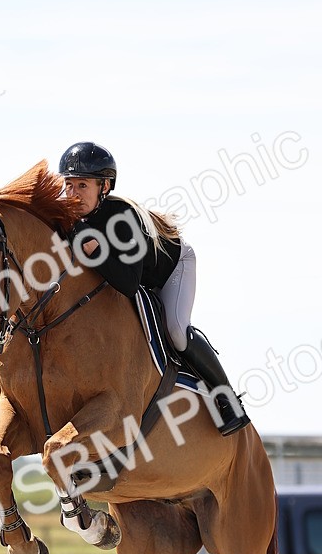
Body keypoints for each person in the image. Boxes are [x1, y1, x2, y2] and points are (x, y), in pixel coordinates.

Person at [59, 141, 250, 437]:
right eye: (69, 185)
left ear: (104, 186)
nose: (73, 193)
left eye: (82, 185)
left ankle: (227, 400)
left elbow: (128, 283)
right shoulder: (69, 219)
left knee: (176, 331)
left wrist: (95, 252)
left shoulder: (122, 217)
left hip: (172, 269)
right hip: (135, 275)